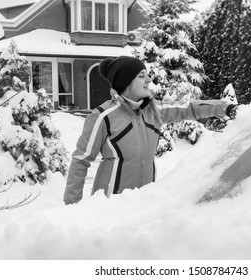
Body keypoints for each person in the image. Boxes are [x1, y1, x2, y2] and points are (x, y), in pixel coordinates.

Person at [63, 56, 237, 204]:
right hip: (110, 206)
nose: (148, 80)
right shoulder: (103, 116)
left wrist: (225, 108)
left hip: (143, 203)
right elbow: (81, 160)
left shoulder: (154, 111)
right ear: (126, 82)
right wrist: (72, 207)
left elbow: (189, 108)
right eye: (141, 76)